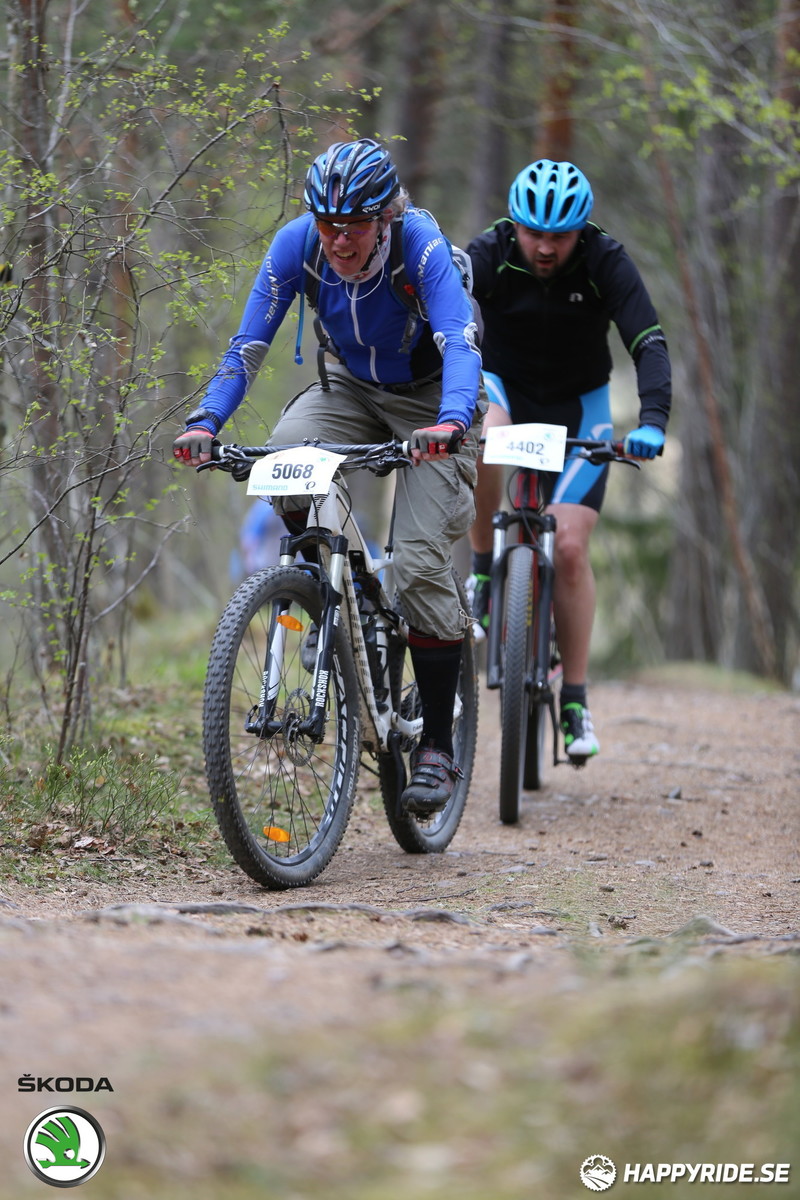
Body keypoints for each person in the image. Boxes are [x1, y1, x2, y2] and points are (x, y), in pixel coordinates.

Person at [173, 137, 484, 814]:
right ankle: (330, 587)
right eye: (327, 224)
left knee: (425, 563)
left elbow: (460, 342)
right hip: (346, 388)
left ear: (387, 216)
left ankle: (435, 742)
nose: (339, 241)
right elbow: (246, 347)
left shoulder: (420, 245)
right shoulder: (296, 247)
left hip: (434, 400)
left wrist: (453, 421)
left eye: (355, 226)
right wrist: (206, 422)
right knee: (284, 461)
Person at [466, 158, 671, 762]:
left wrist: (654, 421)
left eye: (559, 236)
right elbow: (443, 308)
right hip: (506, 389)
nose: (546, 247)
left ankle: (575, 699)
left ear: (582, 229)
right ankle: (482, 569)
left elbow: (648, 342)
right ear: (515, 225)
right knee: (481, 440)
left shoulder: (606, 260)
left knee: (573, 547)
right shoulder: (490, 250)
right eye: (534, 233)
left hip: (580, 411)